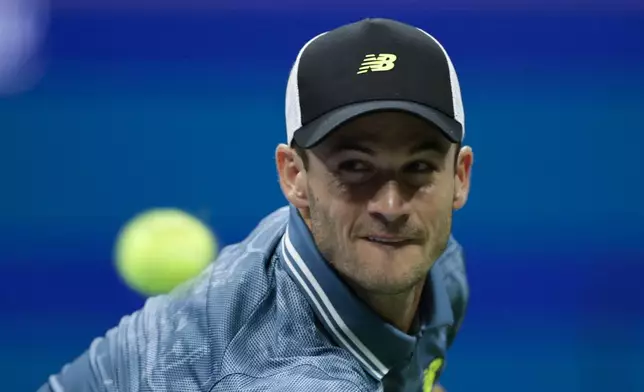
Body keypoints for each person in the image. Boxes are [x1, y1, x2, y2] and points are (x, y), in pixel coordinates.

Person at [38, 17, 473, 392]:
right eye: (355, 168)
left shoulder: (439, 267)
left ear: (459, 176)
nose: (392, 205)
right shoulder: (283, 375)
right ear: (294, 178)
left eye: (418, 166)